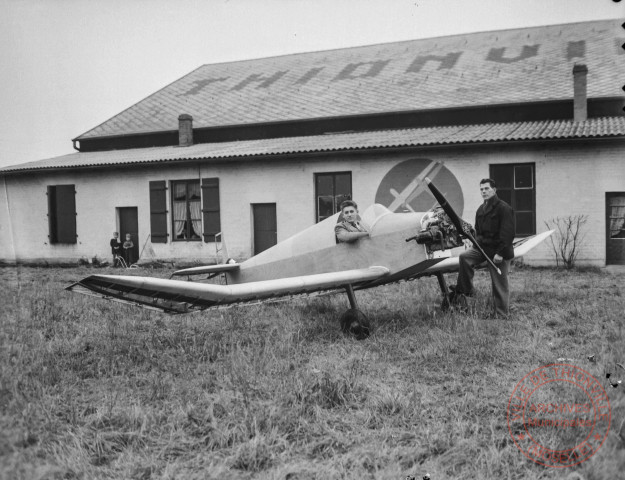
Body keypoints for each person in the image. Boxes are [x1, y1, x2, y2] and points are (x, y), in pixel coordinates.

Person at [453, 179, 515, 317]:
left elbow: (508, 234)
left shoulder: (504, 208)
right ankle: (467, 290)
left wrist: (500, 253)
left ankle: (501, 315)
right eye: (481, 189)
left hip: (500, 251)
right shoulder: (481, 209)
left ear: (494, 190)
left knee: (499, 284)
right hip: (484, 249)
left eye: (487, 189)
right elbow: (478, 233)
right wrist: (473, 242)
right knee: (465, 257)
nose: (484, 192)